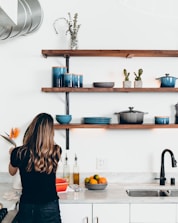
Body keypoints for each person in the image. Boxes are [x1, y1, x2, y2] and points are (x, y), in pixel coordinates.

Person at [9, 113, 62, 223]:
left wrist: (12, 155)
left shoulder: (18, 152)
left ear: (32, 129)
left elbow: (12, 172)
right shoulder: (56, 151)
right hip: (50, 205)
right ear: (50, 132)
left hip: (28, 206)